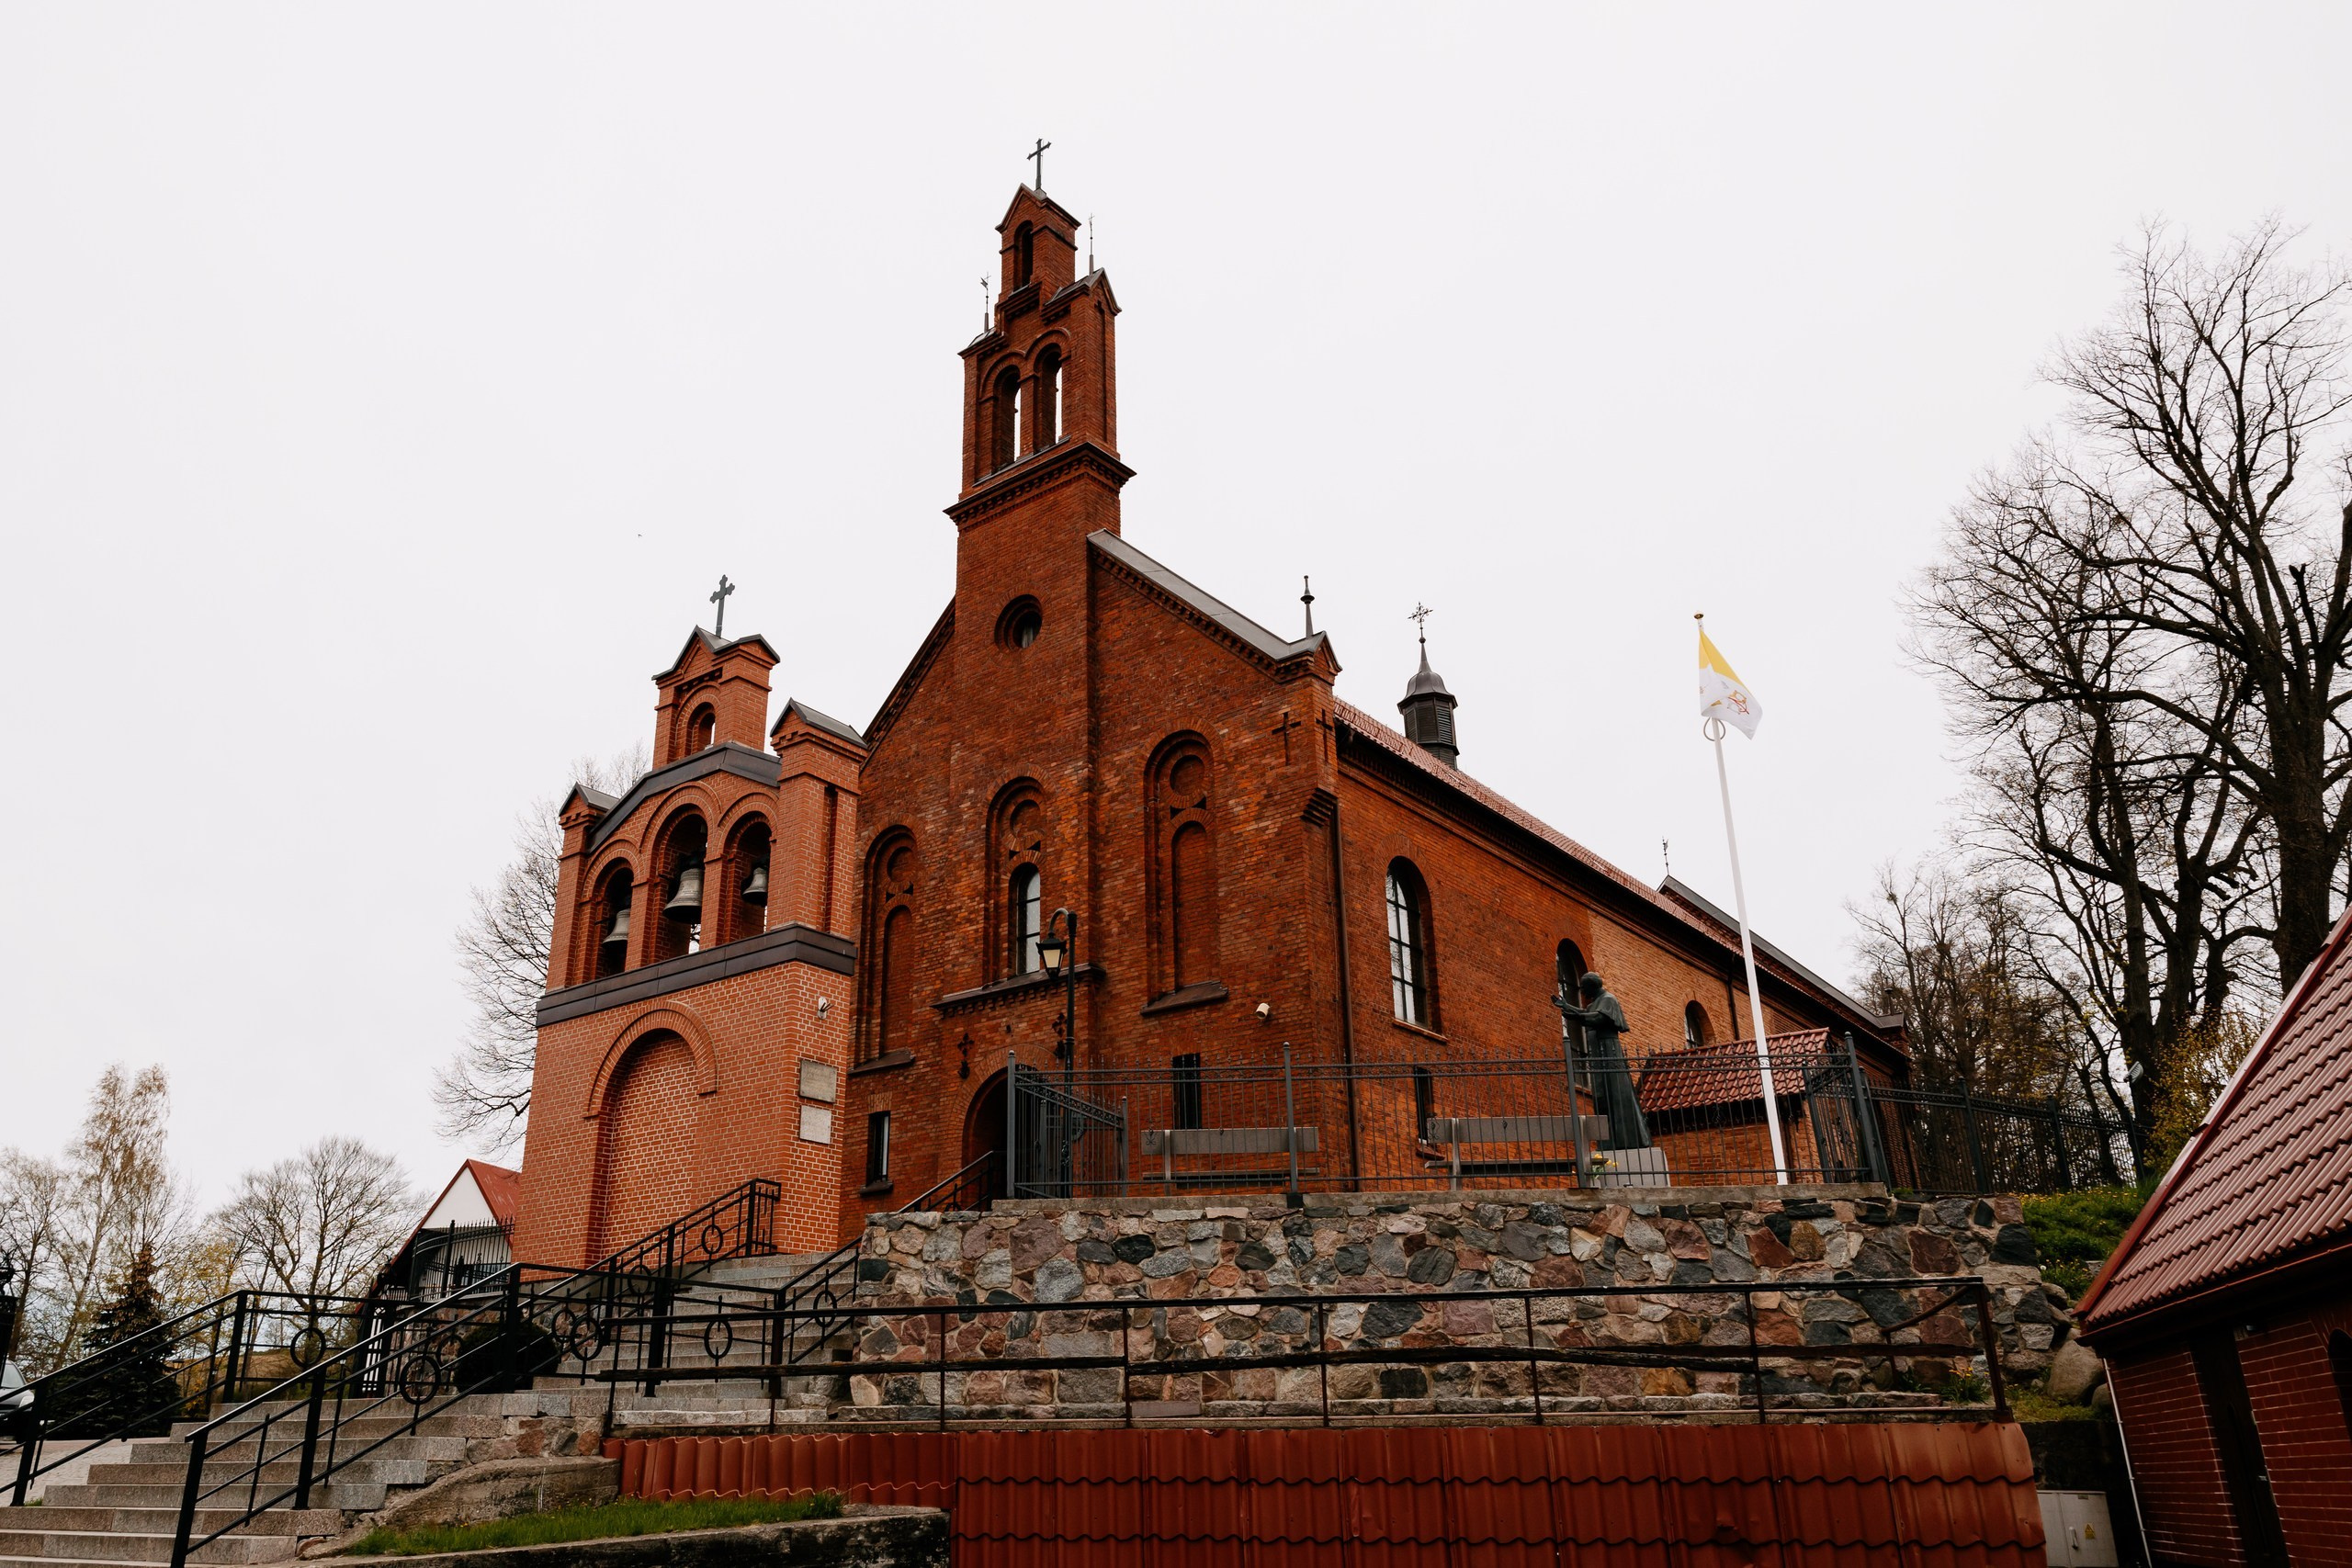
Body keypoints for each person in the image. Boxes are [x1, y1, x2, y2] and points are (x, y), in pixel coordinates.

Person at [1556, 972, 1652, 1150]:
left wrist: (1574, 1014)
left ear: (1593, 985)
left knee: (1615, 1094)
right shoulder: (1595, 1004)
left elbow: (1597, 1018)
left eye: (1584, 988)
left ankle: (1624, 1141)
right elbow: (1587, 1013)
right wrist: (1567, 1006)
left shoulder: (1609, 999)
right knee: (1602, 1098)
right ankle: (1608, 1142)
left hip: (1608, 1051)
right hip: (1598, 1055)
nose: (1583, 993)